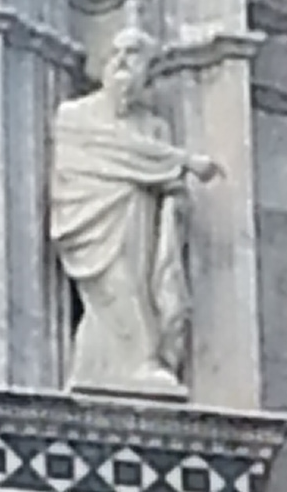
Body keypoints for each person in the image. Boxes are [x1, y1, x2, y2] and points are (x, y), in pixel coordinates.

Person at [50, 26, 219, 399]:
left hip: (138, 218)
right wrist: (186, 161)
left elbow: (147, 159)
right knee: (114, 286)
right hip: (91, 216)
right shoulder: (74, 115)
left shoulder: (154, 126)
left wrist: (174, 192)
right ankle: (139, 362)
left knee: (140, 286)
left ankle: (136, 362)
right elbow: (113, 150)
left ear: (148, 71)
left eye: (134, 56)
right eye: (117, 54)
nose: (123, 63)